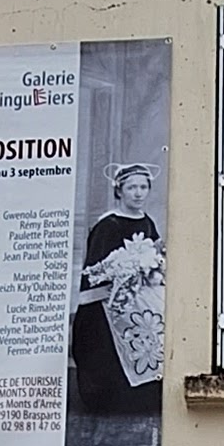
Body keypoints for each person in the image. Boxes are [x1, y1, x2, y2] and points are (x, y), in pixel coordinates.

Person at [70, 160, 166, 414]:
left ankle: (148, 393)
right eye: (132, 187)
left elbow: (157, 254)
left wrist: (153, 267)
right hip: (111, 297)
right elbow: (96, 269)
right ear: (119, 191)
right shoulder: (108, 225)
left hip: (143, 290)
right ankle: (113, 399)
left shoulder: (147, 221)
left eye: (143, 187)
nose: (138, 193)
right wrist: (125, 271)